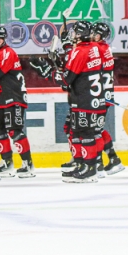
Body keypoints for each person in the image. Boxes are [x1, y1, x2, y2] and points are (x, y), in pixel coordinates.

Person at [49, 21, 107, 183]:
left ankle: (90, 169)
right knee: (80, 131)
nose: (72, 35)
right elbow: (78, 69)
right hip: (92, 98)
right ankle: (83, 165)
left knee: (85, 133)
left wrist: (51, 69)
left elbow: (67, 79)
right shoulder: (93, 48)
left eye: (75, 32)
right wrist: (61, 65)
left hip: (84, 99)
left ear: (80, 35)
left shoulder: (80, 51)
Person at [0, 25, 35, 178]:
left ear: (0, 40)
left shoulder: (7, 53)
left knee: (14, 130)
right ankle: (7, 162)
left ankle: (28, 164)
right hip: (3, 97)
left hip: (14, 98)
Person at [91, 21, 124, 175]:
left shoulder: (97, 49)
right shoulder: (104, 48)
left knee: (94, 131)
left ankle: (98, 164)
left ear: (101, 36)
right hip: (105, 94)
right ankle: (113, 159)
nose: (92, 36)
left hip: (99, 96)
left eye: (95, 33)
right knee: (98, 128)